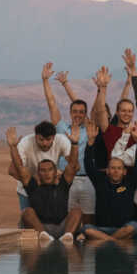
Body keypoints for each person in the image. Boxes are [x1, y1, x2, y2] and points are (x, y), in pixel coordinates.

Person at [40, 62, 96, 225]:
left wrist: (66, 85)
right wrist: (45, 81)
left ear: (85, 114)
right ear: (70, 113)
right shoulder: (61, 128)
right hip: (65, 180)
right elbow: (51, 103)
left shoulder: (90, 129)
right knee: (66, 217)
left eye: (81, 112)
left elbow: (80, 104)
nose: (78, 114)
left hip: (87, 179)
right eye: (74, 111)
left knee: (89, 218)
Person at [6, 126, 81, 242]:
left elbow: (73, 165)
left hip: (62, 226)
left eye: (50, 170)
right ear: (38, 173)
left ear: (56, 172)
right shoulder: (33, 186)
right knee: (27, 212)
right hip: (41, 227)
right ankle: (44, 237)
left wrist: (75, 144)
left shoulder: (63, 184)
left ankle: (68, 236)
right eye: (43, 170)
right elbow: (19, 167)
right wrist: (13, 147)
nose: (46, 173)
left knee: (76, 211)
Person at [82, 120, 137, 241]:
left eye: (119, 168)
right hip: (102, 229)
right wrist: (90, 143)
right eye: (112, 168)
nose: (116, 171)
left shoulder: (130, 182)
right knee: (86, 228)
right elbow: (88, 165)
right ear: (107, 171)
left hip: (124, 228)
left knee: (134, 226)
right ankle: (115, 240)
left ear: (124, 171)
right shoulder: (100, 181)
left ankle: (106, 240)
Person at [10, 120, 72, 214]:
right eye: (41, 139)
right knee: (28, 218)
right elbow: (12, 170)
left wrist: (62, 176)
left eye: (48, 139)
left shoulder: (62, 140)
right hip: (26, 191)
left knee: (51, 219)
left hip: (52, 190)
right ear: (35, 137)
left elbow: (74, 166)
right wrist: (31, 182)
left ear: (54, 137)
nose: (45, 143)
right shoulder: (25, 143)